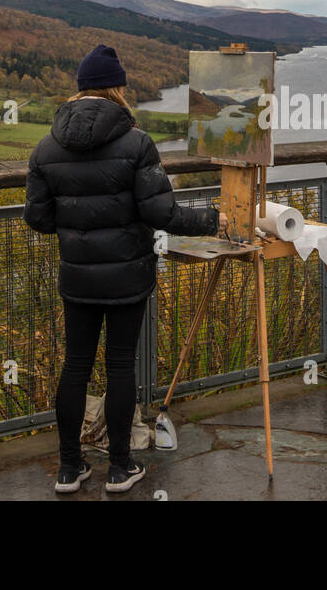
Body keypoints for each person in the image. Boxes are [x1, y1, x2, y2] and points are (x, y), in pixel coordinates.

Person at [24, 44, 226, 494]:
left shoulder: (45, 147)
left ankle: (68, 469)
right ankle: (119, 468)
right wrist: (213, 219)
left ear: (79, 89)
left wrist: (78, 225)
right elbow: (164, 215)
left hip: (77, 277)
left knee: (74, 366)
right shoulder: (136, 143)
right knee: (119, 365)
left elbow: (37, 220)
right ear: (117, 89)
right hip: (127, 277)